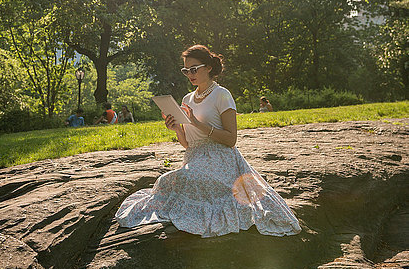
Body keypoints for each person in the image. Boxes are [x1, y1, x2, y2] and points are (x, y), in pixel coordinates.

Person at [115, 44, 301, 238]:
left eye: (194, 69)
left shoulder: (222, 95)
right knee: (164, 181)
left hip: (221, 159)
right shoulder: (187, 98)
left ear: (209, 68)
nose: (189, 74)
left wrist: (196, 122)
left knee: (188, 179)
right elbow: (188, 144)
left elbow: (231, 139)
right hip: (194, 158)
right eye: (186, 70)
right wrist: (176, 128)